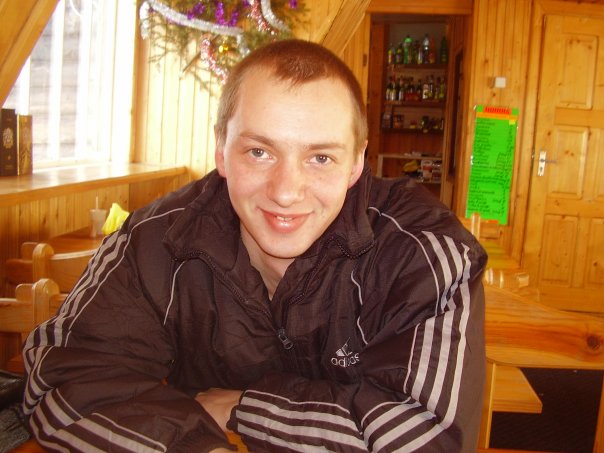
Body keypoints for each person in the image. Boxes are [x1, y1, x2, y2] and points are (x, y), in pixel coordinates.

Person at [23, 39, 486, 452]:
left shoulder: (422, 253)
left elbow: (425, 436)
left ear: (356, 164)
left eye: (320, 157)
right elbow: (63, 382)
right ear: (221, 151)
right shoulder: (152, 242)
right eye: (259, 152)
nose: (285, 191)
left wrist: (246, 408)